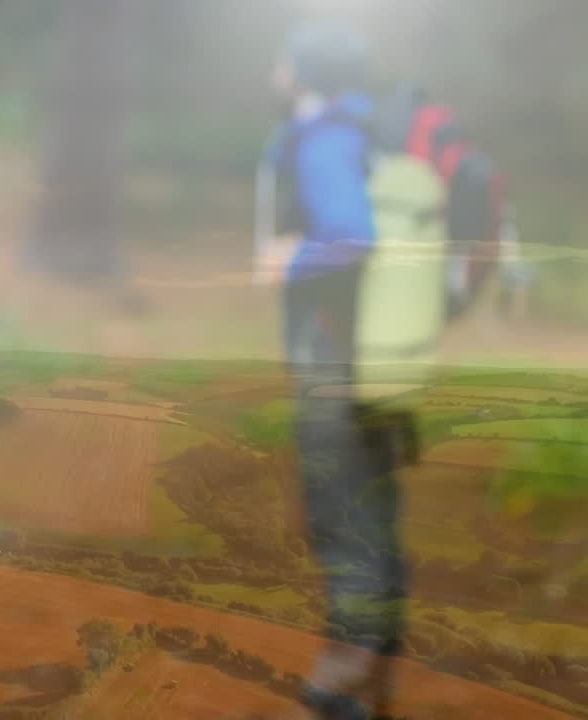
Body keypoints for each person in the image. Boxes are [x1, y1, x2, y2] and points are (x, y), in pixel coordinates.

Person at [261, 21, 406, 719]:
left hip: (334, 363)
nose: (274, 66)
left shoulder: (324, 140)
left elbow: (351, 235)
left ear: (302, 70)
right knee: (374, 508)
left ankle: (344, 680)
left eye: (282, 56)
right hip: (382, 358)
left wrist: (288, 261)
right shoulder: (374, 133)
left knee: (341, 509)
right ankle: (377, 673)